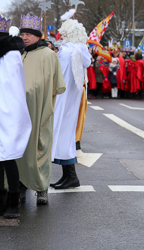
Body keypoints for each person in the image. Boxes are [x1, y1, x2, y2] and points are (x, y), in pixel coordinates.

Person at [0, 15, 31, 219]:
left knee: (9, 159)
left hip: (8, 116)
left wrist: (6, 111)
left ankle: (13, 202)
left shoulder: (12, 57)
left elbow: (13, 90)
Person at [16, 14, 66, 206]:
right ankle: (20, 185)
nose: (25, 37)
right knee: (20, 149)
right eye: (23, 34)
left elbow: (58, 85)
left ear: (38, 36)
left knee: (40, 147)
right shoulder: (18, 54)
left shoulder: (49, 55)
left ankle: (41, 188)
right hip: (19, 111)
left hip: (40, 110)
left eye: (29, 34)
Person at [51, 18, 91, 190]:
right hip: (70, 99)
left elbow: (56, 72)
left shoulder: (67, 51)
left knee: (61, 135)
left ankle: (70, 177)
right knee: (65, 137)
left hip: (63, 97)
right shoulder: (80, 50)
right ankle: (68, 176)